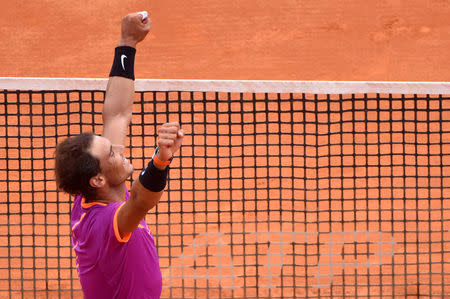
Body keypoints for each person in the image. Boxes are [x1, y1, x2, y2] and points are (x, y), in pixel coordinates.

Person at [54, 11, 184, 298]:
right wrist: (161, 160)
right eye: (111, 153)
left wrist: (127, 43)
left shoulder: (92, 194)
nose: (119, 150)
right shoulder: (107, 221)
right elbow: (140, 200)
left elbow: (116, 115)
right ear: (98, 179)